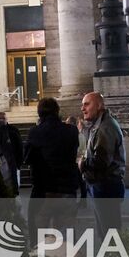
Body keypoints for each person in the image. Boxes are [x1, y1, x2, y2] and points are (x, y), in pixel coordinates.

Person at [25, 97, 80, 249]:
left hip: (44, 191)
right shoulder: (71, 131)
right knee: (67, 237)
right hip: (67, 190)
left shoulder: (36, 132)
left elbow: (27, 157)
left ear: (39, 113)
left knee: (37, 233)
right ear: (57, 111)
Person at [79, 92, 126, 241]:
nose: (82, 108)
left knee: (108, 232)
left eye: (87, 104)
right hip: (102, 184)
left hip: (105, 185)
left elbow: (101, 161)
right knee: (107, 230)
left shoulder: (105, 127)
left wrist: (82, 163)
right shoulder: (100, 124)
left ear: (99, 105)